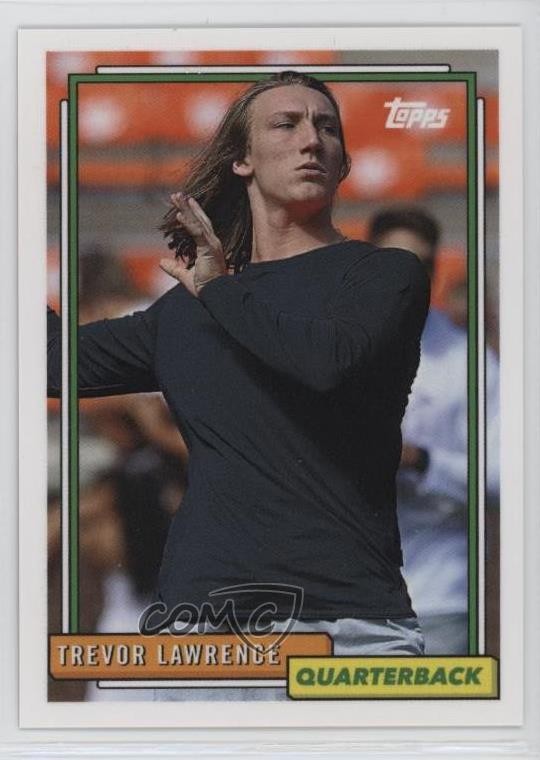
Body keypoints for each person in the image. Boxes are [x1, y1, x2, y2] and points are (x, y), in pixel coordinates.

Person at [48, 71, 430, 700]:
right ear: (242, 161)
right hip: (197, 633)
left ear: (344, 164)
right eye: (287, 124)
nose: (312, 139)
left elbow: (323, 362)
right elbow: (49, 362)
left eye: (327, 127)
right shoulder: (186, 310)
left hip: (347, 630)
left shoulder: (382, 275)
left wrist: (220, 289)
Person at [368, 206, 500, 654]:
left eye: (421, 263)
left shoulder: (469, 360)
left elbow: (505, 477)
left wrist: (421, 460)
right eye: (394, 261)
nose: (408, 276)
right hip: (339, 593)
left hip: (436, 595)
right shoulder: (325, 344)